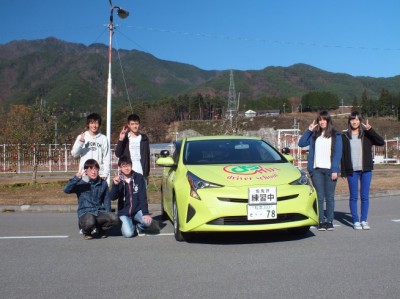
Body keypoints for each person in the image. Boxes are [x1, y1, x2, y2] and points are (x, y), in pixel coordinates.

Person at [298, 110, 342, 231]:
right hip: (316, 170)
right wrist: (309, 130)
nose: (322, 122)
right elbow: (301, 143)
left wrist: (335, 170)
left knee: (330, 197)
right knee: (319, 197)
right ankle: (320, 221)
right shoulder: (314, 135)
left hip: (330, 170)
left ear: (328, 121)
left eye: (324, 119)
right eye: (320, 120)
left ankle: (330, 221)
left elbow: (338, 153)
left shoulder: (336, 135)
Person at [341, 112, 384, 230]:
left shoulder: (366, 135)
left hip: (366, 170)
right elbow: (343, 155)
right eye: (352, 120)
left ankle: (364, 220)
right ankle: (355, 220)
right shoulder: (344, 136)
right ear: (349, 122)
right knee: (353, 196)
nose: (354, 122)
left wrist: (370, 130)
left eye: (357, 120)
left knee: (365, 196)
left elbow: (381, 142)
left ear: (360, 121)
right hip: (352, 171)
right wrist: (343, 172)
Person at [64, 159, 118, 240]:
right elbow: (66, 190)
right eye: (90, 169)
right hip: (85, 212)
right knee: (90, 221)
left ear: (98, 170)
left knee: (115, 218)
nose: (93, 172)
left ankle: (101, 229)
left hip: (98, 212)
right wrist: (76, 178)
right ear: (86, 171)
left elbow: (106, 201)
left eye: (95, 169)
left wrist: (108, 215)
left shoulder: (103, 183)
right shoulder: (80, 183)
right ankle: (86, 231)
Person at [109, 156, 156, 238]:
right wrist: (115, 185)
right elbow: (112, 197)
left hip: (137, 210)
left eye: (128, 165)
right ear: (120, 167)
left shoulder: (139, 177)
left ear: (131, 165)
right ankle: (130, 224)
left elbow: (143, 197)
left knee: (148, 222)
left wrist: (145, 213)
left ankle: (139, 226)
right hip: (124, 213)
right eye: (124, 166)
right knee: (128, 234)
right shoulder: (118, 179)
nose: (126, 168)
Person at [71, 113, 110, 180]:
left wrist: (105, 173)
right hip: (84, 174)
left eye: (96, 123)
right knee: (85, 190)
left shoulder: (103, 138)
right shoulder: (81, 137)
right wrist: (80, 143)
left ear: (99, 125)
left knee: (98, 190)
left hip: (98, 173)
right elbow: (74, 154)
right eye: (92, 123)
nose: (94, 126)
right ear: (88, 124)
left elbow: (106, 157)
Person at [115, 114, 150, 184]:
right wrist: (121, 139)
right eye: (132, 124)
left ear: (139, 124)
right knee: (128, 194)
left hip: (141, 173)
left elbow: (147, 156)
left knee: (142, 195)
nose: (135, 126)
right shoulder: (125, 138)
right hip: (127, 173)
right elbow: (118, 154)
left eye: (136, 123)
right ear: (128, 125)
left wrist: (146, 173)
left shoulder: (144, 138)